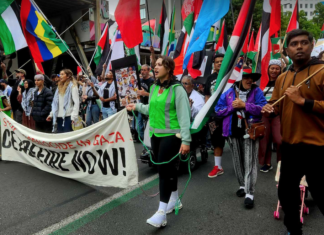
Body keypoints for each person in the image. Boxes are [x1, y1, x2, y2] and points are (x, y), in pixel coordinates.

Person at [262, 29, 324, 235]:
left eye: (304, 42)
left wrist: (303, 102)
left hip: (318, 146)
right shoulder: (283, 77)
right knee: (286, 193)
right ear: (287, 49)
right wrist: (270, 109)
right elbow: (276, 104)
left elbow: (304, 103)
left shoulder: (321, 71)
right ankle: (293, 230)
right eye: (294, 43)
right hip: (290, 146)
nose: (299, 46)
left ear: (312, 45)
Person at [126, 56, 191, 228]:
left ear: (169, 69)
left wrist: (186, 140)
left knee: (163, 171)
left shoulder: (178, 89)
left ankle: (161, 213)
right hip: (155, 135)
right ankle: (175, 200)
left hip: (172, 135)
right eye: (155, 65)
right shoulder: (154, 87)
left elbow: (185, 116)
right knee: (169, 170)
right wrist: (137, 107)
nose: (155, 67)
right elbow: (151, 108)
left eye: (160, 65)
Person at [216, 73, 267, 209]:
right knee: (238, 161)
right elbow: (218, 111)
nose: (250, 80)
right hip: (232, 132)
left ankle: (250, 193)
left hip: (250, 131)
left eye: (252, 78)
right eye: (246, 77)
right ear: (239, 78)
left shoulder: (257, 91)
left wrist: (245, 105)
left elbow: (262, 108)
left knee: (249, 161)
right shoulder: (228, 92)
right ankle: (243, 185)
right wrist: (232, 107)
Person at [258, 59, 283, 173]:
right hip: (263, 114)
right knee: (264, 139)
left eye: (277, 68)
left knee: (279, 140)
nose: (274, 70)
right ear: (268, 69)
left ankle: (281, 162)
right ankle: (266, 163)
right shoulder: (261, 82)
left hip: (277, 114)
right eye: (272, 68)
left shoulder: (283, 82)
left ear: (280, 70)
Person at [205, 53, 226, 178]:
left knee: (235, 140)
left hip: (230, 113)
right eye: (217, 61)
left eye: (222, 61)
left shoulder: (231, 76)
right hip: (214, 115)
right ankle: (218, 166)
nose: (219, 63)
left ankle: (242, 165)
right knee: (216, 140)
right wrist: (208, 112)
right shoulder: (210, 78)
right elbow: (207, 95)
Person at [136, 64, 154, 140]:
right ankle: (144, 140)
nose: (142, 72)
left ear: (148, 70)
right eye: (141, 70)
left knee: (147, 126)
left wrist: (145, 93)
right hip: (141, 105)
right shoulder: (139, 81)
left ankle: (147, 144)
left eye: (144, 70)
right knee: (138, 126)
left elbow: (155, 95)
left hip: (149, 106)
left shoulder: (152, 82)